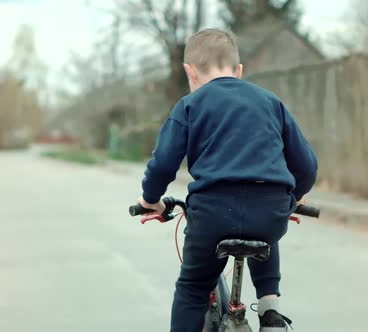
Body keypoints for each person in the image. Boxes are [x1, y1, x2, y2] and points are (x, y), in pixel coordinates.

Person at [136, 28, 318, 332]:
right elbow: (307, 166)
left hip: (212, 215)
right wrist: (293, 198)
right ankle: (270, 310)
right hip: (270, 211)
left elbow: (162, 165)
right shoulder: (272, 103)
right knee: (263, 225)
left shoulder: (189, 106)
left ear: (189, 72)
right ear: (240, 71)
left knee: (193, 289)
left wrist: (149, 199)